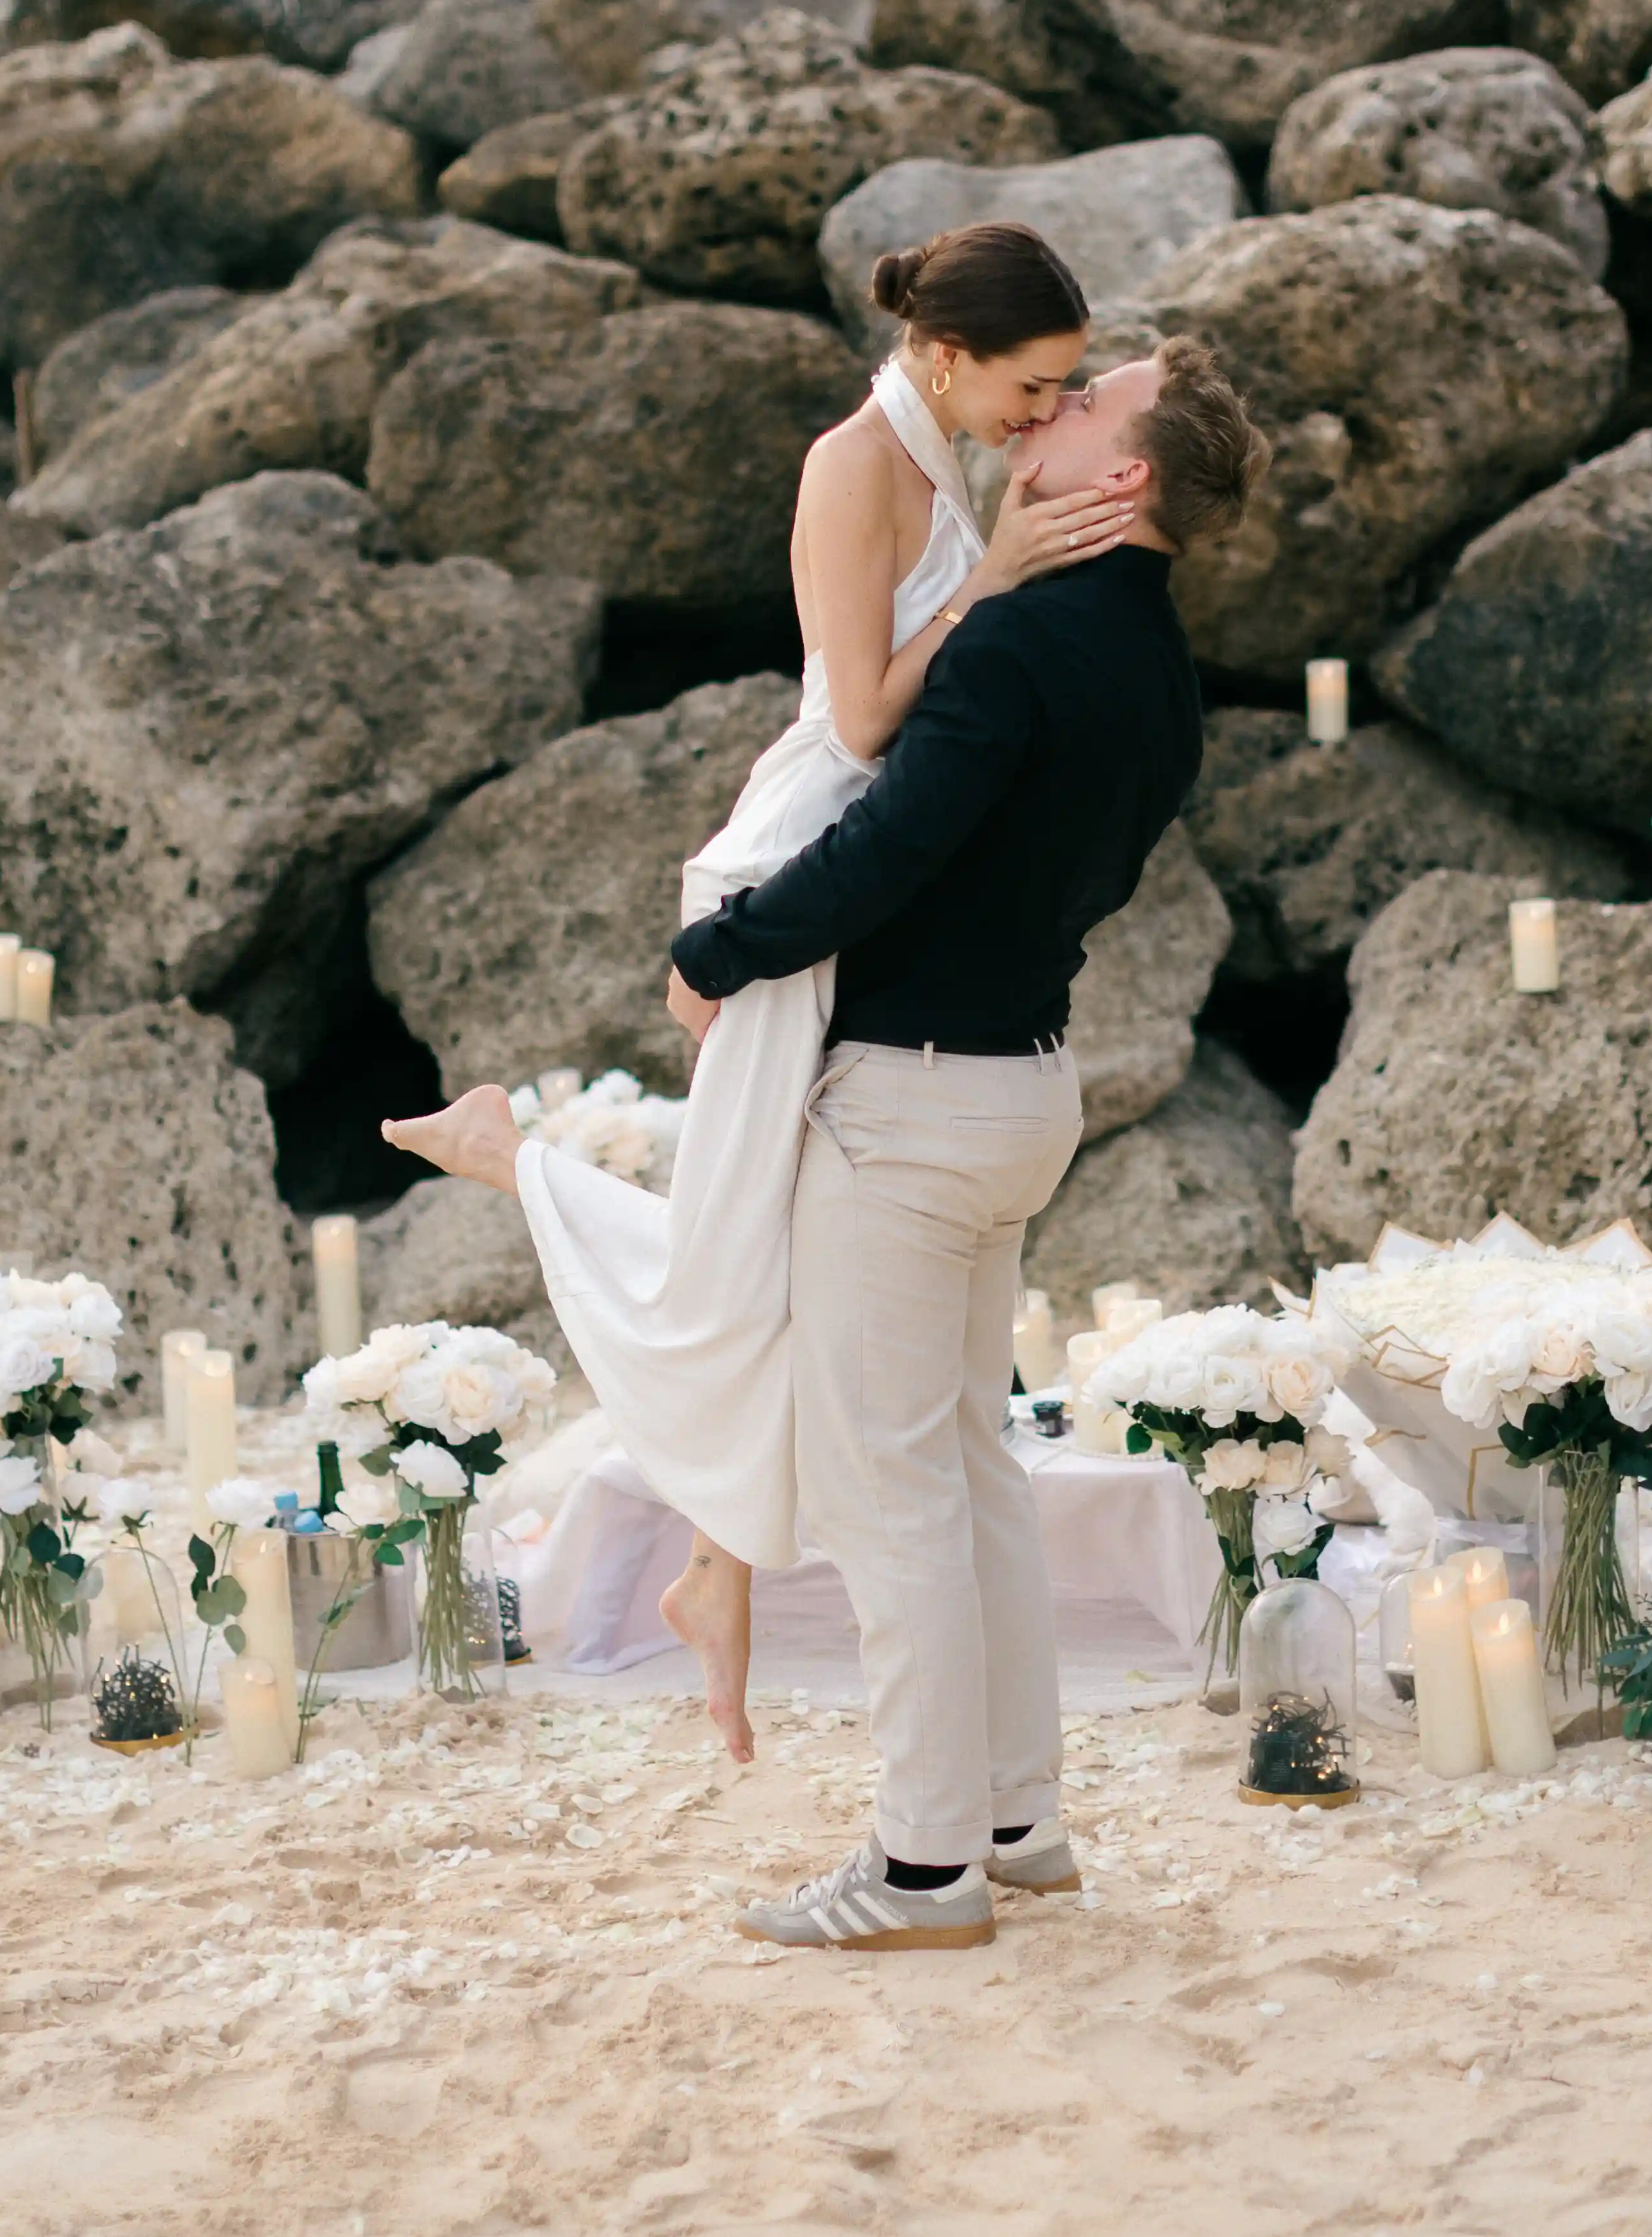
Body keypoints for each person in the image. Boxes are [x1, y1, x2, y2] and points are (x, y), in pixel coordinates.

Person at [381, 225, 1132, 1760]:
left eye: (1070, 392)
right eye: (1033, 384)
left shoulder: (955, 444)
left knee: (789, 1255)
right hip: (800, 864)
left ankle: (716, 1574)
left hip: (861, 865)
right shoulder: (858, 464)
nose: (1046, 416)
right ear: (945, 354)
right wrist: (993, 577)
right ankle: (505, 1154)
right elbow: (860, 712)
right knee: (734, 1261)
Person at [674, 339, 1271, 1950]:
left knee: (893, 1497)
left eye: (1090, 403)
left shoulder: (1017, 646)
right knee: (968, 1466)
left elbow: (886, 848)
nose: (1053, 408)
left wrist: (718, 953)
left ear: (1125, 476)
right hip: (1021, 1087)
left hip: (913, 1106)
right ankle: (1020, 1822)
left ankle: (925, 1867)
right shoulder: (1156, 665)